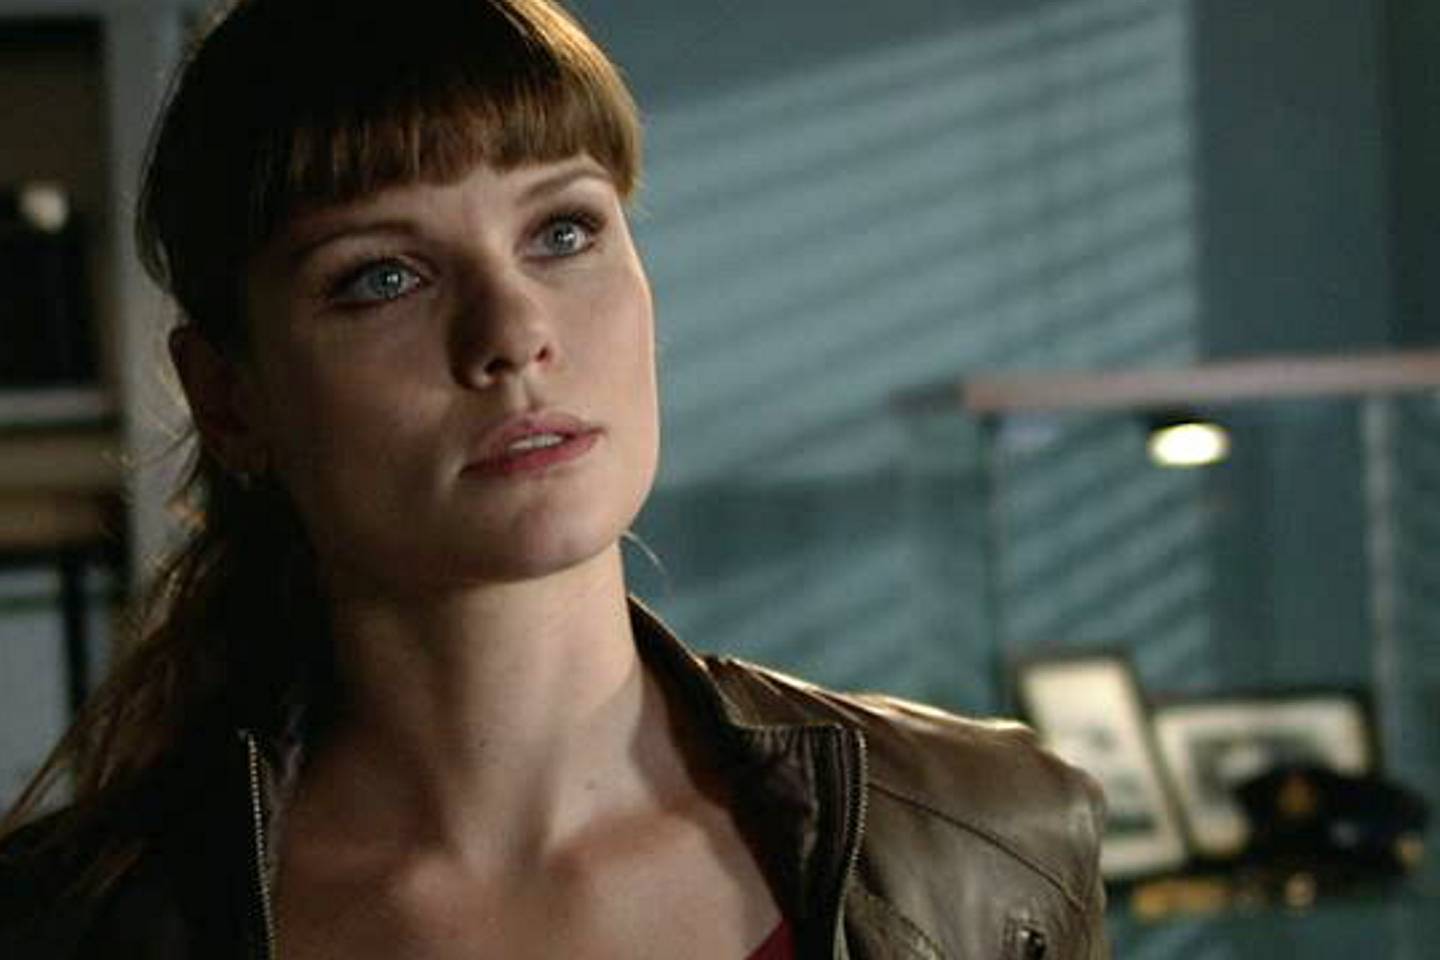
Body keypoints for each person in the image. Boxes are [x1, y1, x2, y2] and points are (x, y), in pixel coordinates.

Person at [0, 1, 1108, 957]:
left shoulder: (989, 844)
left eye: (564, 231)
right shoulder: (65, 927)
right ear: (229, 397)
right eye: (382, 277)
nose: (512, 332)